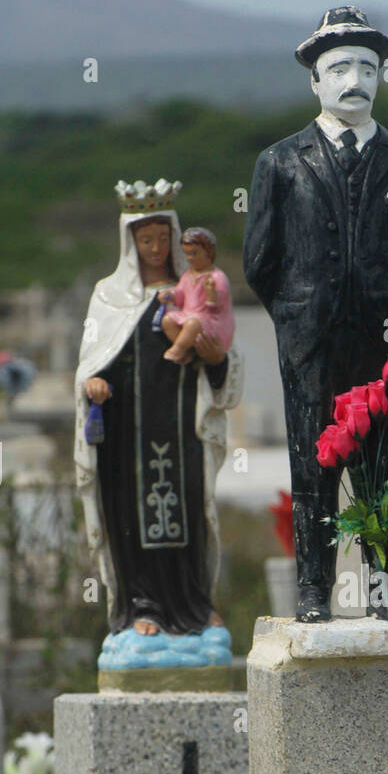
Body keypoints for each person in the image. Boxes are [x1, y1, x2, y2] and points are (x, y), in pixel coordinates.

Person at [243, 6, 388, 622]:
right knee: (311, 459)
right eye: (340, 67)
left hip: (382, 336)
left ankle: (384, 591)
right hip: (310, 337)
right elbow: (261, 262)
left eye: (368, 67)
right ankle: (313, 593)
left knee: (384, 458)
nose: (355, 78)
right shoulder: (279, 164)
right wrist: (301, 314)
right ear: (315, 81)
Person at [75, 179, 242, 642]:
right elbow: (92, 360)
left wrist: (216, 359)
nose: (155, 247)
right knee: (135, 515)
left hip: (181, 419)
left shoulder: (193, 292)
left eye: (163, 238)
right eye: (145, 240)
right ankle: (141, 605)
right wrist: (93, 384)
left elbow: (225, 354)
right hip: (128, 429)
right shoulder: (109, 297)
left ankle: (193, 603)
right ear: (130, 241)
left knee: (186, 508)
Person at [159, 226, 235, 364]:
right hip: (189, 314)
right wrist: (170, 294)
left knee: (193, 324)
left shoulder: (216, 276)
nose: (190, 258)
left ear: (208, 253)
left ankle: (178, 348)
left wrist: (211, 293)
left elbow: (219, 301)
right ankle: (187, 351)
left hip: (211, 319)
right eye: (187, 254)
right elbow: (180, 292)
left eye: (194, 254)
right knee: (167, 320)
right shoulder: (188, 275)